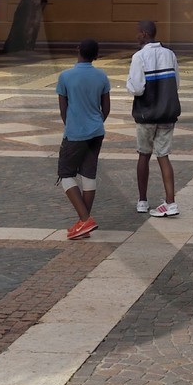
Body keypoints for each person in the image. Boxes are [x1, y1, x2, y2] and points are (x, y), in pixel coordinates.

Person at [55, 37, 111, 239]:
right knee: (88, 175)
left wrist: (73, 125)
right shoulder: (102, 76)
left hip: (75, 133)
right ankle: (83, 224)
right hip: (97, 131)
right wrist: (95, 122)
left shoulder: (65, 76)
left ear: (77, 49)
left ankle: (85, 219)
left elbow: (63, 109)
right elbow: (106, 108)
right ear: (96, 56)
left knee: (66, 174)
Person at [127, 20, 181, 217]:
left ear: (144, 34)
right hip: (167, 113)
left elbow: (137, 88)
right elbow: (176, 83)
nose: (136, 36)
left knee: (144, 155)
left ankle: (142, 201)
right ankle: (171, 202)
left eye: (137, 32)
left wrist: (129, 84)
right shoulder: (170, 54)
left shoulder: (139, 57)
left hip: (146, 114)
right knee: (163, 156)